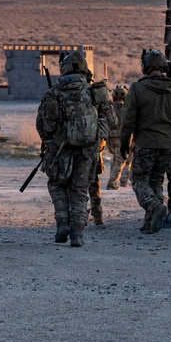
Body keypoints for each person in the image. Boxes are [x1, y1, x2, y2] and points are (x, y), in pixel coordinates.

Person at [120, 49, 171, 234]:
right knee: (155, 181)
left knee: (138, 179)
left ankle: (154, 207)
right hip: (167, 145)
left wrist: (124, 141)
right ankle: (150, 224)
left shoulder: (137, 89)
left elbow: (128, 119)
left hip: (145, 143)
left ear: (146, 67)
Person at [35, 51, 107, 247]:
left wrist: (50, 144)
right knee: (80, 190)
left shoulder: (53, 93)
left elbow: (43, 126)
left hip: (60, 150)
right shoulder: (93, 92)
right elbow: (108, 121)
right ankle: (77, 231)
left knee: (57, 185)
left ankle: (62, 224)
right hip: (87, 151)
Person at [85, 73, 113, 225]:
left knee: (75, 185)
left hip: (72, 147)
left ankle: (78, 217)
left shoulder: (63, 92)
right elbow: (113, 121)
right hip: (93, 147)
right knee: (94, 182)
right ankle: (97, 215)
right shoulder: (96, 94)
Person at [105, 85, 133, 190]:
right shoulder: (128, 108)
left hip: (112, 137)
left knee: (117, 159)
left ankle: (121, 181)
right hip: (124, 137)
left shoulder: (110, 107)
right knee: (120, 160)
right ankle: (112, 183)